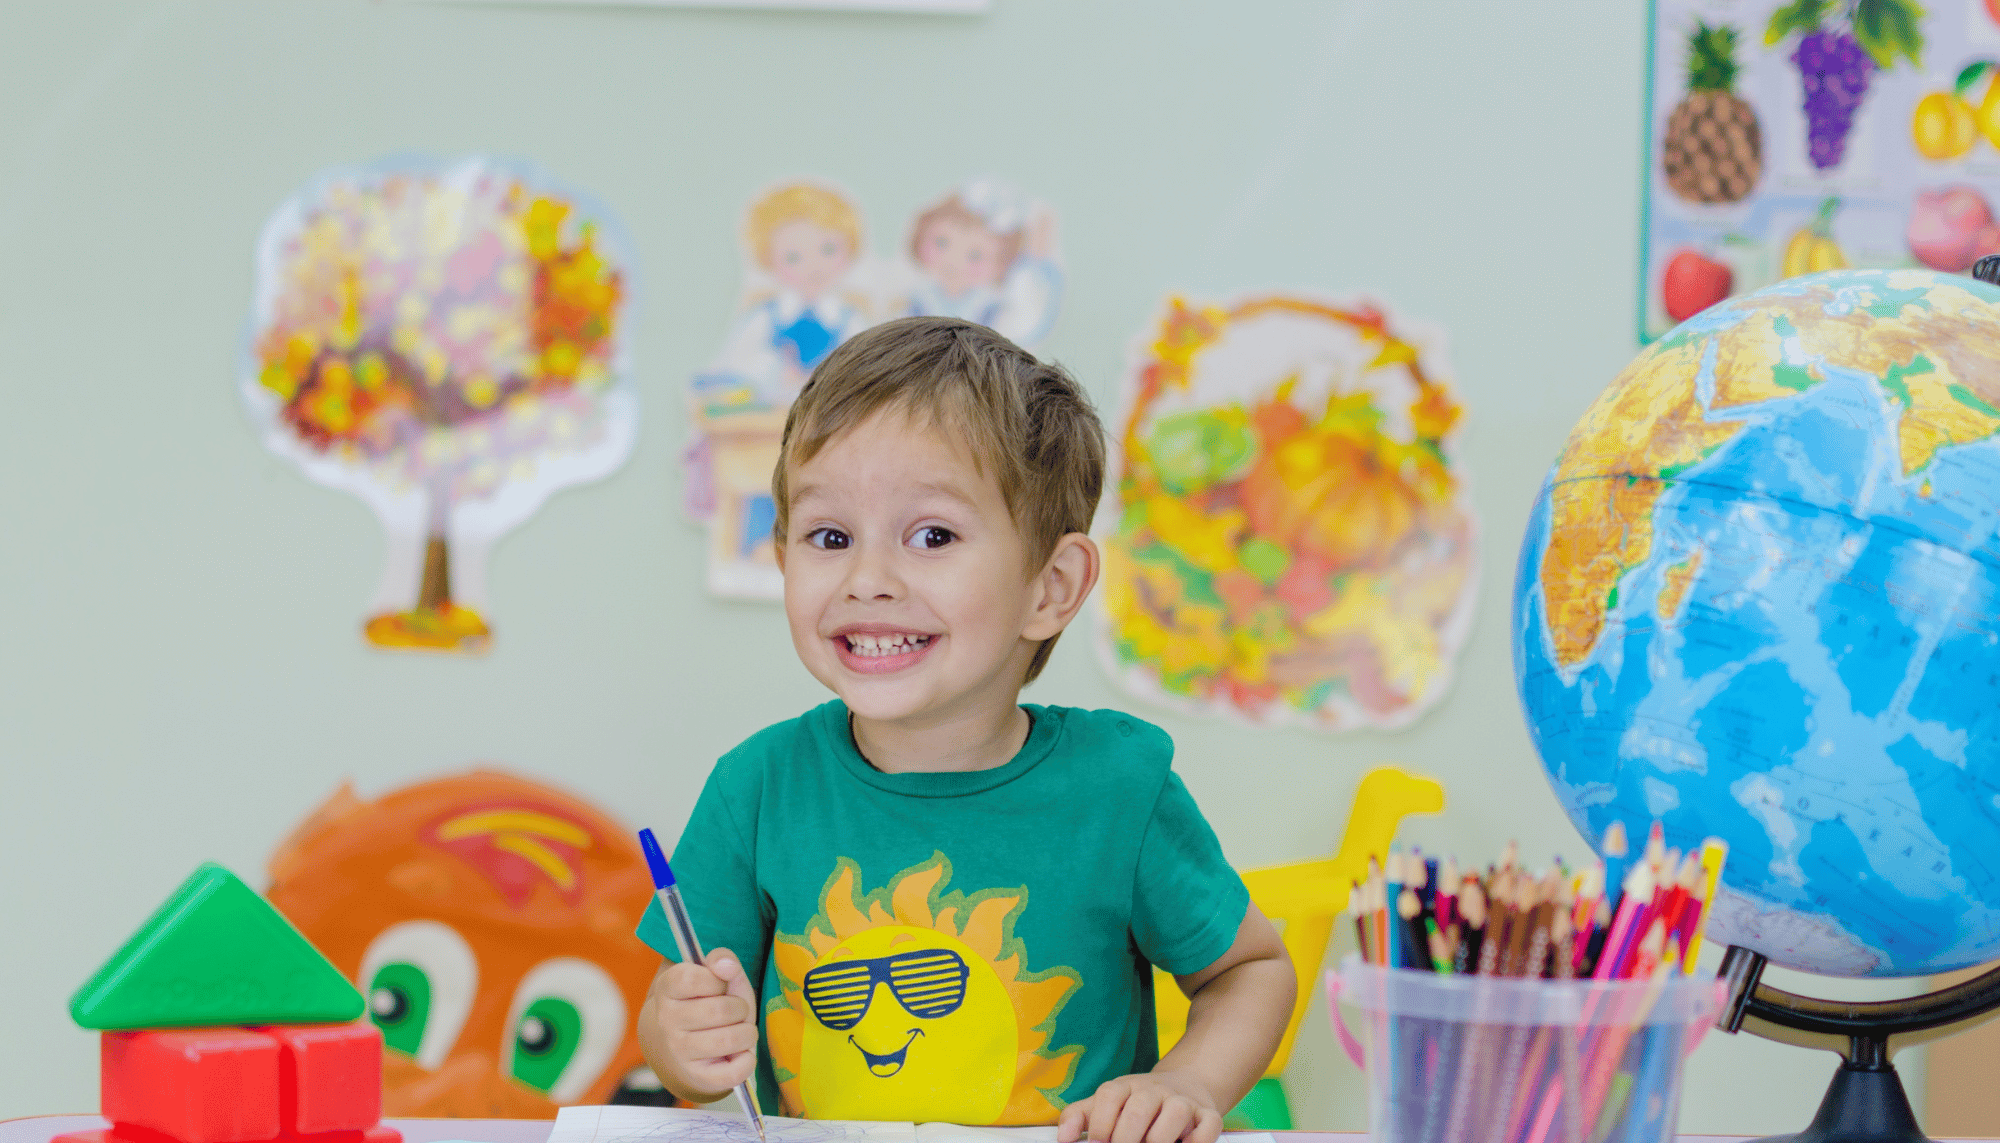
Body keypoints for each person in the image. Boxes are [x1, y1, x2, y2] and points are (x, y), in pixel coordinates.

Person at [638, 317, 1293, 1143]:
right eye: (829, 536)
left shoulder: (1120, 788)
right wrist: (679, 1039)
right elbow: (676, 1025)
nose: (867, 579)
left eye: (933, 535)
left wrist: (1187, 1082)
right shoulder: (757, 787)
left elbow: (1251, 969)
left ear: (1051, 586)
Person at [905, 179, 1062, 347]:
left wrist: (1038, 256)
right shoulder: (919, 300)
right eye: (941, 242)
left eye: (975, 256)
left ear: (1001, 265)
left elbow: (1028, 327)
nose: (953, 261)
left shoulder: (988, 308)